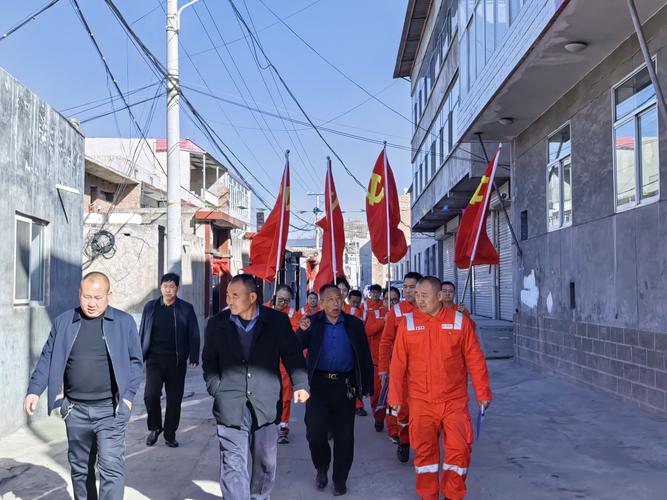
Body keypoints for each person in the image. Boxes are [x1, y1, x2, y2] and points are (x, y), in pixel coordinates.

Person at [23, 272, 143, 500]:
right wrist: (34, 390)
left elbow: (136, 362)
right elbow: (48, 358)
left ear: (109, 295)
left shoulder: (123, 323)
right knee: (80, 470)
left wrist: (127, 396)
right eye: (87, 296)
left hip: (111, 410)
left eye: (98, 297)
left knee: (111, 467)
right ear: (79, 294)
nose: (91, 303)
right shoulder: (64, 322)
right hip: (75, 411)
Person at [202, 274, 309, 500]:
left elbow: (292, 353)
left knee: (265, 463)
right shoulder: (217, 324)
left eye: (235, 296)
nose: (229, 300)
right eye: (228, 295)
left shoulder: (276, 322)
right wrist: (216, 387)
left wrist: (300, 383)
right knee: (233, 464)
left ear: (252, 297)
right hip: (230, 402)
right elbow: (209, 360)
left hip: (265, 401)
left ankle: (259, 497)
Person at [389, 276, 492, 500]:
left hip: (454, 401)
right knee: (425, 454)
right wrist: (395, 396)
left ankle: (452, 494)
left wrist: (482, 392)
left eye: (424, 296)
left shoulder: (459, 321)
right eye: (417, 295)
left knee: (460, 450)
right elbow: (397, 364)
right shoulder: (408, 323)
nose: (419, 300)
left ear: (439, 296)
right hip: (421, 402)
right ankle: (428, 495)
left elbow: (475, 358)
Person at [297, 284, 374, 496]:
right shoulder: (312, 323)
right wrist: (301, 331)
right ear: (321, 303)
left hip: (344, 386)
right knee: (316, 433)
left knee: (344, 436)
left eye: (339, 299)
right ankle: (321, 467)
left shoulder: (354, 324)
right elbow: (296, 347)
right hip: (317, 386)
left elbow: (364, 356)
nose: (335, 303)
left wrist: (367, 385)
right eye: (330, 300)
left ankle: (340, 479)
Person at [139, 273, 200, 448]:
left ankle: (170, 433)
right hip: (154, 361)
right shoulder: (150, 307)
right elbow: (143, 332)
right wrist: (138, 355)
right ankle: (155, 427)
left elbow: (194, 333)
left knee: (174, 399)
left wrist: (194, 356)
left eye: (172, 287)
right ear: (160, 288)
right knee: (150, 395)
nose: (168, 290)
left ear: (177, 289)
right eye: (165, 286)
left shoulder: (186, 309)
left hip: (176, 362)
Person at [378, 271, 422, 462]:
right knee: (403, 410)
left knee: (423, 412)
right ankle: (404, 441)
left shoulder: (429, 309)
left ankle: (423, 445)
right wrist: (383, 368)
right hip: (402, 372)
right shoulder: (396, 312)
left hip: (425, 371)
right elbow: (386, 342)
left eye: (412, 287)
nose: (408, 290)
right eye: (405, 287)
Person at [268, 284, 298, 444]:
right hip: (264, 361)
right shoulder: (262, 309)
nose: (283, 303)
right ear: (274, 296)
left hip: (284, 363)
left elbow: (294, 335)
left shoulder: (292, 314)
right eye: (280, 299)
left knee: (285, 396)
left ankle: (283, 428)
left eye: (287, 301)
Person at [361, 284, 387, 431]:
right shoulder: (365, 306)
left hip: (389, 355)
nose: (376, 295)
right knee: (376, 391)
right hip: (373, 355)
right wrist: (382, 322)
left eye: (378, 292)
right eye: (373, 293)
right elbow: (366, 330)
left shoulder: (386, 306)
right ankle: (378, 416)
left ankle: (389, 422)